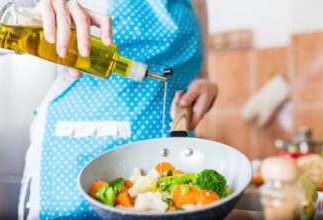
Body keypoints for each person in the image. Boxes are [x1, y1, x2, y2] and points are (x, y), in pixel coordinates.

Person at [14, 0, 218, 219]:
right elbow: (5, 25)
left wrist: (206, 87)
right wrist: (36, 12)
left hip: (174, 167)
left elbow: (201, 74)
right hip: (78, 159)